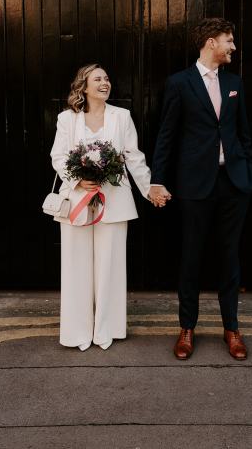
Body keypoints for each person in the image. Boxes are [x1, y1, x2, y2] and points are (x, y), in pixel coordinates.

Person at [149, 17, 252, 360]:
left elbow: (243, 133)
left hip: (233, 183)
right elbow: (167, 135)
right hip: (195, 185)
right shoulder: (180, 83)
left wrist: (247, 170)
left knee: (230, 257)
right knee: (192, 257)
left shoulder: (234, 83)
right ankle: (186, 329)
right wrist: (157, 179)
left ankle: (232, 329)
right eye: (229, 40)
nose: (233, 47)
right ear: (211, 42)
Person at [50, 63, 157, 351]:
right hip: (77, 201)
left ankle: (107, 329)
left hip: (115, 202)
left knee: (110, 267)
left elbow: (133, 157)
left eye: (107, 78)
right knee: (76, 268)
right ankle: (76, 332)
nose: (105, 83)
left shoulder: (122, 117)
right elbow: (58, 157)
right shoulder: (66, 119)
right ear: (83, 86)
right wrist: (77, 179)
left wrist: (149, 190)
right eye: (98, 79)